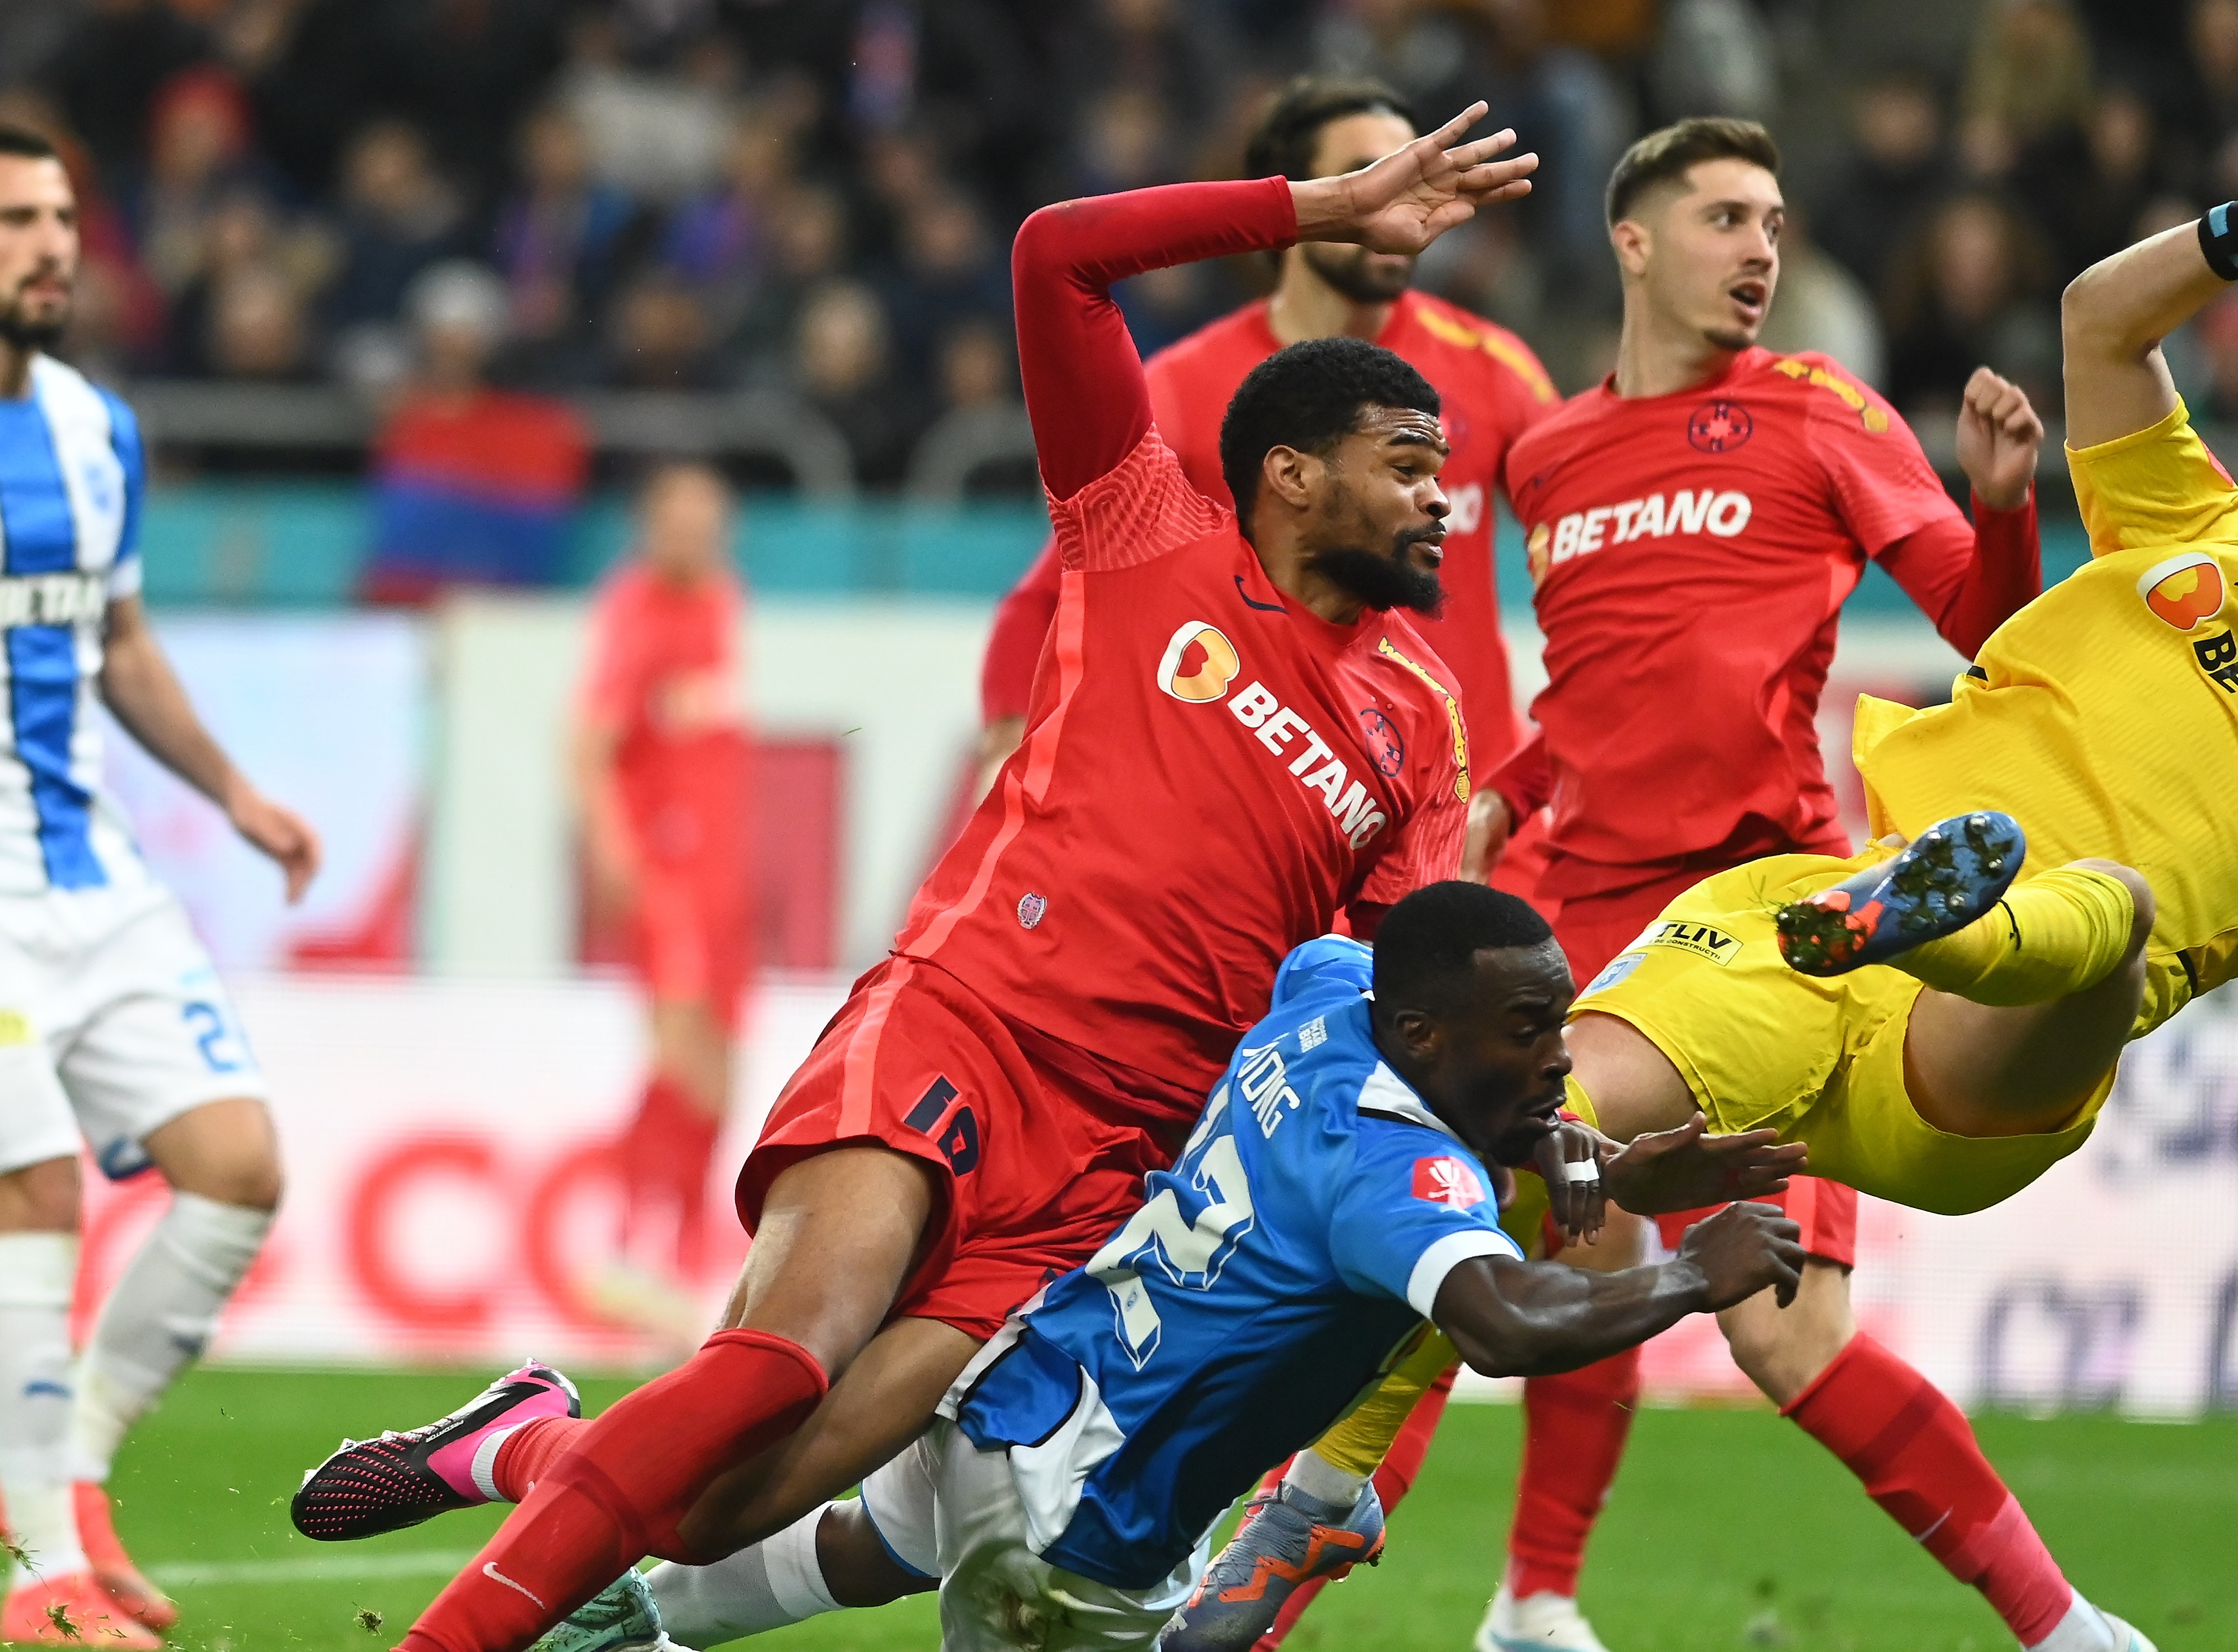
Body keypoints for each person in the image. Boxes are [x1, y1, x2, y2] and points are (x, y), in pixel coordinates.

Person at [290, 104, 1537, 1652]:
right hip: (965, 1021)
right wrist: (1308, 204)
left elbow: (1375, 988)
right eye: (1406, 465)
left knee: (715, 1506)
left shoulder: (1418, 713)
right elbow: (1055, 257)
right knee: (770, 1366)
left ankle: (513, 1440)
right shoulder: (1140, 528)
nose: (1440, 497)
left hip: (1112, 1157)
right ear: (1287, 475)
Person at [1549, 117, 2238, 1652]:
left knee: (2102, 914)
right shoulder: (2194, 532)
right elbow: (2095, 320)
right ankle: (1239, 1512)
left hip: (1974, 1077)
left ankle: (1954, 908)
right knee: (1515, 1128)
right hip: (1810, 938)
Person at [1211, 115, 2064, 1652]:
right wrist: (1507, 789)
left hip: (1764, 917)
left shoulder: (1817, 409)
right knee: (1468, 1240)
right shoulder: (1543, 457)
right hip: (1573, 918)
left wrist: (2001, 505)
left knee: (1786, 1336)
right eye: (1726, 218)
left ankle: (2060, 1625)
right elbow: (1592, 696)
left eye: (1772, 224)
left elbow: (1980, 623)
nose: (1758, 252)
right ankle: (1503, 1603)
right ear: (1632, 239)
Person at [521, 884, 1812, 1652]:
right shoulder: (1397, 1180)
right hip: (1078, 1526)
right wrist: (1687, 1272)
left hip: (1011, 1383)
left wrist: (1588, 1159)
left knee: (885, 1543)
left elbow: (1443, 1058)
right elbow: (1502, 1320)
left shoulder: (1325, 993)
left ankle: (641, 1615)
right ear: (1422, 1033)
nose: (1554, 1057)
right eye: (1530, 1032)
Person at [0, 123, 320, 1646]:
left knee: (237, 1166)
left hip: (92, 871)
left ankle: (62, 1479)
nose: (48, 245)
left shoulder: (93, 430)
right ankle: (39, 1573)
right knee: (36, 1188)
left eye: (60, 215)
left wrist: (235, 793)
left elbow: (116, 640)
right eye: (14, 221)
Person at [970, 76, 1557, 810]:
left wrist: (1528, 779)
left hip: (1467, 820)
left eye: (1411, 168)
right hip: (1272, 825)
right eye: (1364, 173)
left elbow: (1601, 571)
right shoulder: (1183, 388)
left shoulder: (1495, 368)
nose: (1399, 194)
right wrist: (1005, 737)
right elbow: (1044, 600)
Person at [571, 461, 753, 1345]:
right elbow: (586, 740)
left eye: (705, 519)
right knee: (678, 1046)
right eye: (676, 519)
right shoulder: (636, 608)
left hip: (720, 872)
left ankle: (677, 1266)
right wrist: (615, 852)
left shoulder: (721, 599)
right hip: (667, 869)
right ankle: (624, 1245)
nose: (692, 535)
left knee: (721, 1069)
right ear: (649, 524)